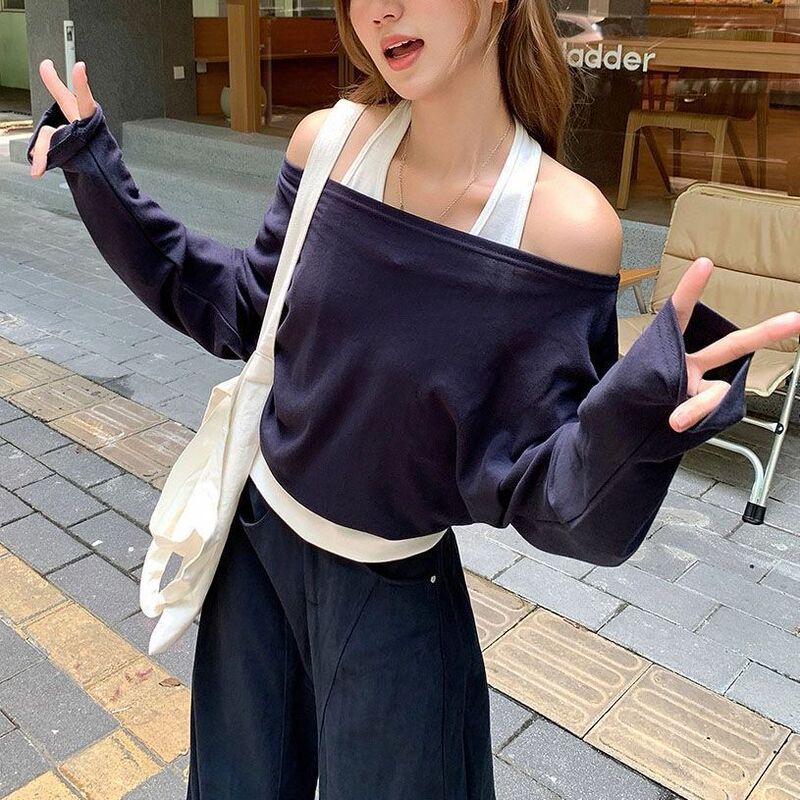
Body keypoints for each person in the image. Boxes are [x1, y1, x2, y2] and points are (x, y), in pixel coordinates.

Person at [27, 0, 800, 797]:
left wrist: (640, 420)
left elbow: (549, 492)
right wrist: (97, 167)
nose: (380, 11)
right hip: (254, 553)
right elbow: (239, 309)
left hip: (395, 601)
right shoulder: (327, 144)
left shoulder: (565, 226)